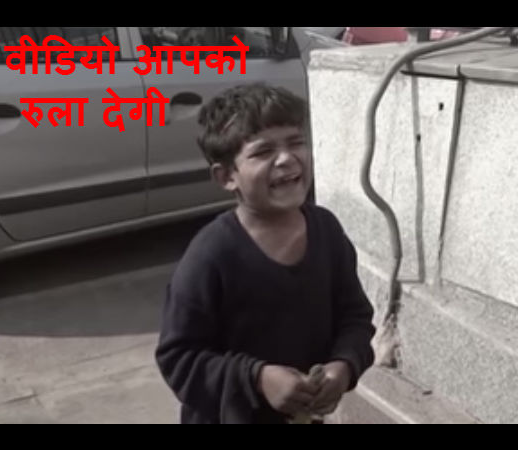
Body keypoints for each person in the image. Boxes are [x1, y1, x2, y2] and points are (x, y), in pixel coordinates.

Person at [155, 83, 376, 424]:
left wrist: (344, 364)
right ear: (226, 176)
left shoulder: (326, 231)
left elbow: (355, 316)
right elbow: (179, 358)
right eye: (263, 151)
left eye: (296, 142)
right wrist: (257, 378)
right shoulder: (211, 255)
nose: (286, 158)